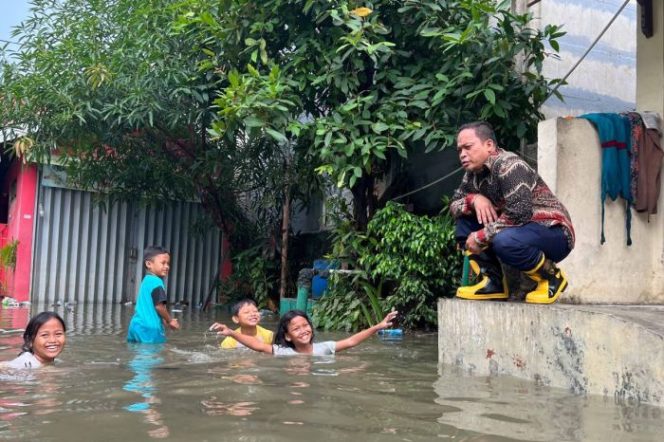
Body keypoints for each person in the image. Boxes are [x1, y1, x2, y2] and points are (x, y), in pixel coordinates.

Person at [450, 121, 575, 304]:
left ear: (489, 145)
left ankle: (551, 277)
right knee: (464, 226)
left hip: (554, 232)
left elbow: (519, 213)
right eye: (459, 150)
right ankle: (494, 283)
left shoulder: (510, 165)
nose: (463, 154)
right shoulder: (472, 176)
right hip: (521, 231)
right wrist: (474, 200)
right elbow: (454, 205)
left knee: (504, 241)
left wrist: (482, 235)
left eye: (468, 147)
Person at [210, 310, 399, 356]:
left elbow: (351, 341)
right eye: (296, 328)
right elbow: (258, 345)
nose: (303, 330)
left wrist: (378, 326)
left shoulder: (323, 348)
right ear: (287, 336)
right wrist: (231, 333)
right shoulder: (284, 352)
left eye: (305, 325)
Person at [127, 245, 180, 343]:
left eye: (168, 263)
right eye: (163, 263)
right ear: (148, 264)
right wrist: (170, 321)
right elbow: (159, 307)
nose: (167, 266)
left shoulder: (146, 280)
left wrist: (164, 321)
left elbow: (150, 307)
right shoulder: (157, 282)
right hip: (150, 329)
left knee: (136, 354)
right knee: (153, 355)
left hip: (135, 325)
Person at [1, 311, 66, 369]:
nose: (52, 340)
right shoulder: (26, 363)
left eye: (58, 334)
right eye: (44, 335)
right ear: (30, 341)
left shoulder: (55, 361)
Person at [209, 298, 273, 349]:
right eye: (246, 312)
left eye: (255, 311)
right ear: (236, 319)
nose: (253, 314)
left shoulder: (269, 335)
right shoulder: (229, 341)